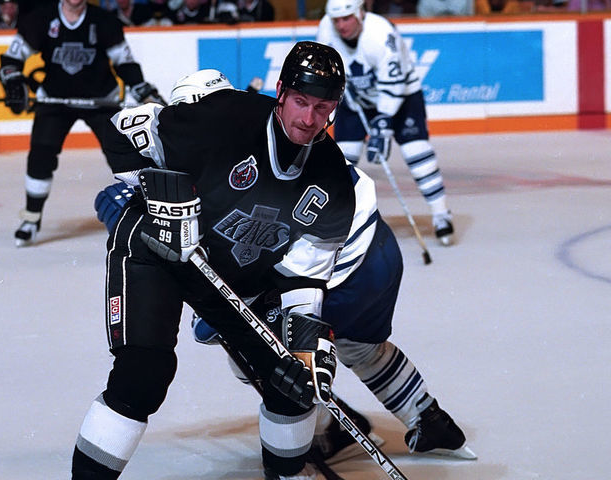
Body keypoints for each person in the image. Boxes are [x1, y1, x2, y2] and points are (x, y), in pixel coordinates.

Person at [95, 137, 476, 467]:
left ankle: (330, 429)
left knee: (256, 354)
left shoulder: (223, 171)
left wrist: (142, 225)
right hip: (378, 252)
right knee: (360, 346)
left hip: (334, 271)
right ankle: (429, 419)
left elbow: (241, 279)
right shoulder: (246, 135)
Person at [72, 42, 356, 480]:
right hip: (155, 250)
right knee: (143, 375)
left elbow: (304, 276)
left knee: (291, 386)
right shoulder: (225, 118)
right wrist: (134, 189)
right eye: (301, 102)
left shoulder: (334, 179)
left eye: (323, 107)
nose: (308, 118)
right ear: (280, 91)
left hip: (229, 279)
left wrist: (303, 347)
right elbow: (125, 127)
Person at [0, 0, 163, 247]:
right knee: (41, 155)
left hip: (100, 99)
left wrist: (140, 87)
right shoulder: (40, 18)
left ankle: (150, 213)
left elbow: (124, 62)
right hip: (55, 100)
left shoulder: (104, 21)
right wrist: (12, 78)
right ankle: (31, 218)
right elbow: (13, 57)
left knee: (123, 155)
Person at [317, 0, 455, 246]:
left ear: (360, 13)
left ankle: (441, 214)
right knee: (342, 160)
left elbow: (395, 83)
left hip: (401, 96)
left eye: (347, 18)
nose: (341, 25)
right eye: (337, 20)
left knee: (417, 153)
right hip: (356, 99)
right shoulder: (325, 29)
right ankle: (340, 219)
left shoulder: (381, 34)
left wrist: (383, 124)